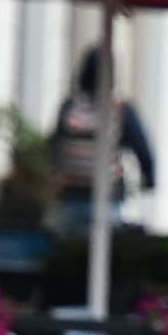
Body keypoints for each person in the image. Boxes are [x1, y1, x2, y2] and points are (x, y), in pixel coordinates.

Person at [51, 46, 156, 237]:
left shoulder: (69, 107)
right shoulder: (120, 110)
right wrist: (149, 179)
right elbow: (144, 151)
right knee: (106, 252)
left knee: (67, 254)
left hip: (70, 198)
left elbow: (54, 146)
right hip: (107, 200)